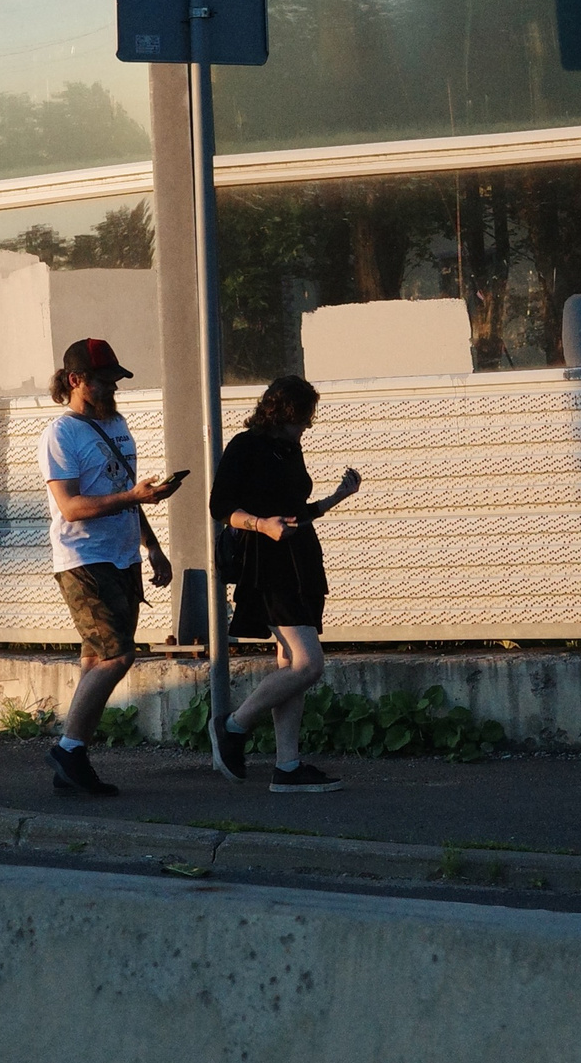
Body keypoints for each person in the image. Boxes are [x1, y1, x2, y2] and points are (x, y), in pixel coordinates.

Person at [38, 337, 179, 796]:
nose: (112, 389)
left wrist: (152, 545)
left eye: (116, 380)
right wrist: (133, 497)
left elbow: (124, 491)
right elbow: (72, 507)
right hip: (83, 558)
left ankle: (73, 762)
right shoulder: (61, 434)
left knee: (96, 658)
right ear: (76, 380)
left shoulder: (116, 424)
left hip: (122, 556)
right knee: (119, 655)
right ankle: (68, 747)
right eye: (104, 381)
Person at [208, 375, 362, 793]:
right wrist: (261, 525)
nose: (305, 429)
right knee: (309, 664)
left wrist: (336, 498)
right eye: (301, 420)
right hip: (268, 567)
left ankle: (287, 767)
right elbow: (220, 506)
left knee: (289, 666)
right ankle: (234, 727)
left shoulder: (288, 449)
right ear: (281, 413)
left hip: (302, 562)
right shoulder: (246, 446)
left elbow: (295, 512)